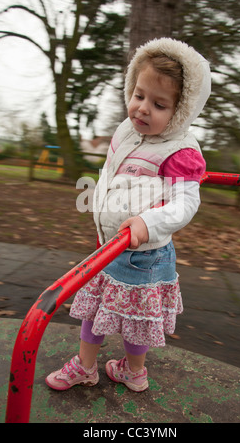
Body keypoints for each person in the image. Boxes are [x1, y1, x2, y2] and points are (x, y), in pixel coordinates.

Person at [45, 37, 211, 392]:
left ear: (181, 111)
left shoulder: (180, 151)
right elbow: (110, 175)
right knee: (95, 310)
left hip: (145, 255)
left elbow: (185, 204)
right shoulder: (125, 130)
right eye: (139, 95)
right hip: (110, 245)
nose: (142, 109)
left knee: (135, 321)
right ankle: (90, 367)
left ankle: (133, 370)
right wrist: (102, 218)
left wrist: (146, 223)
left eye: (159, 104)